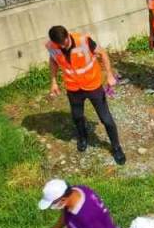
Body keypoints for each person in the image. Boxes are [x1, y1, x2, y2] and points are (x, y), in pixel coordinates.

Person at [46, 25, 126, 165]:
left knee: (106, 119)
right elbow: (53, 61)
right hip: (73, 88)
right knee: (77, 116)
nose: (63, 46)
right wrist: (53, 81)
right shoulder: (52, 46)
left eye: (64, 43)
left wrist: (109, 75)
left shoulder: (83, 40)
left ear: (67, 35)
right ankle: (83, 138)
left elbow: (103, 53)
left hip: (93, 85)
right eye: (60, 45)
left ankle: (116, 147)